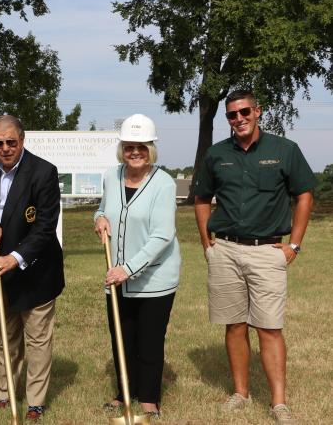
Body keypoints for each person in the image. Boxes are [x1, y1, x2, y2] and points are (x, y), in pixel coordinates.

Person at [194, 90, 316, 424]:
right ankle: (240, 394)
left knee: (270, 327)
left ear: (257, 111)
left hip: (269, 251)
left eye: (244, 112)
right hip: (227, 250)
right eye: (232, 115)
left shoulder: (284, 150)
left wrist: (295, 244)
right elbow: (202, 199)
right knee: (234, 325)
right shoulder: (216, 154)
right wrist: (208, 243)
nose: (239, 119)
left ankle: (279, 403)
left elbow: (304, 195)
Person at [0, 114, 65, 421]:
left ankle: (35, 402)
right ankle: (5, 393)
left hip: (36, 272)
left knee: (37, 339)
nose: (5, 149)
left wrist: (15, 258)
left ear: (22, 140)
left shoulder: (43, 172)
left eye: (11, 142)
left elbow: (45, 227)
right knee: (5, 337)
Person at [93, 114, 181, 418]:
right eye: (130, 146)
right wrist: (99, 218)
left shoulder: (164, 183)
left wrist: (128, 268)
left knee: (149, 341)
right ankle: (124, 393)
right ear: (122, 148)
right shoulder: (110, 176)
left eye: (141, 146)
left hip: (153, 278)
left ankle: (148, 401)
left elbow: (162, 235)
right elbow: (104, 208)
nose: (135, 152)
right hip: (117, 277)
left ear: (151, 149)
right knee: (122, 338)